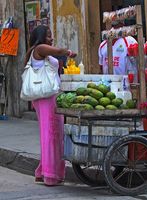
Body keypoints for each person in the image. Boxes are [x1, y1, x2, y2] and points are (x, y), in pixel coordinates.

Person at [24, 25, 77, 186]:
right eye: (48, 36)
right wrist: (67, 52)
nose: (51, 38)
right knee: (51, 135)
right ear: (40, 37)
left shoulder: (40, 54)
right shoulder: (39, 49)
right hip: (46, 98)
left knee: (54, 135)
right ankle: (50, 174)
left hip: (51, 96)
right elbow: (59, 51)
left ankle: (43, 171)